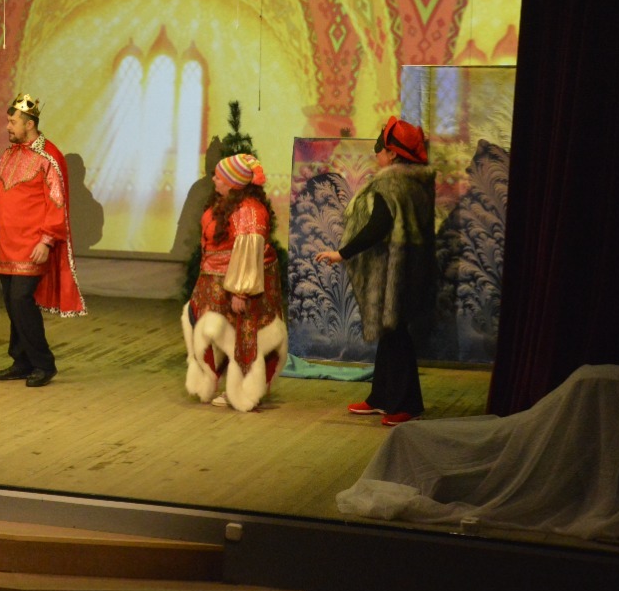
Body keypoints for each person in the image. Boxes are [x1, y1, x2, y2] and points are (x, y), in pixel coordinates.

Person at [315, 116, 436, 425]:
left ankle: (407, 404)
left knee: (396, 334)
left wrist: (342, 253)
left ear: (393, 153)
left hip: (396, 271)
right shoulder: (419, 182)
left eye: (380, 149)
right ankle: (382, 396)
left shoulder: (390, 184)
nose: (376, 154)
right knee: (391, 331)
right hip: (413, 265)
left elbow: (377, 226)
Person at [0, 94, 86, 388]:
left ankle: (43, 363)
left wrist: (47, 241)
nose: (8, 127)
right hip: (7, 245)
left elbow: (56, 202)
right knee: (12, 304)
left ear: (29, 124)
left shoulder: (49, 157)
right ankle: (21, 361)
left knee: (21, 300)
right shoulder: (7, 155)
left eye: (13, 122)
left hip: (31, 245)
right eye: (8, 121)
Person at [180, 153, 286, 411]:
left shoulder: (249, 210)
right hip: (214, 280)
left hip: (238, 284)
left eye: (219, 177)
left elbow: (249, 253)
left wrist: (241, 292)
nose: (214, 180)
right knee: (207, 328)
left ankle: (243, 390)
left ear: (232, 183)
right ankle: (214, 380)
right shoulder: (225, 202)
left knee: (243, 336)